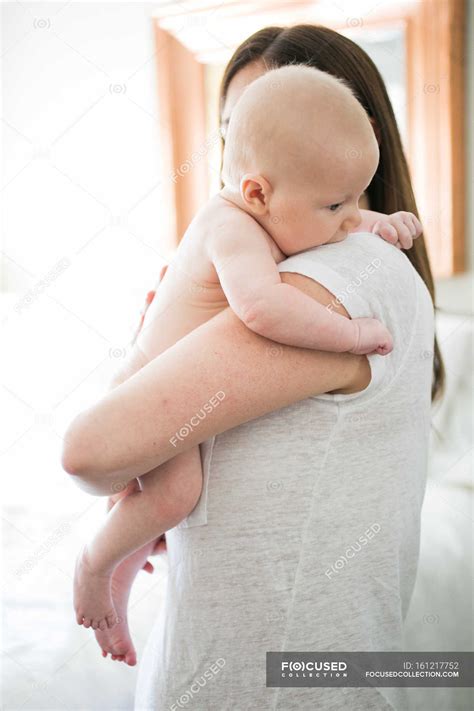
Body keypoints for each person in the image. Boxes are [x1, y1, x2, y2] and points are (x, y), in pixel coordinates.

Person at [62, 24, 444, 710]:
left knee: (159, 501)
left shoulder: (347, 272)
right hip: (216, 674)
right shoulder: (264, 237)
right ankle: (108, 571)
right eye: (235, 134)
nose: (246, 181)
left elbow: (86, 449)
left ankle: (95, 565)